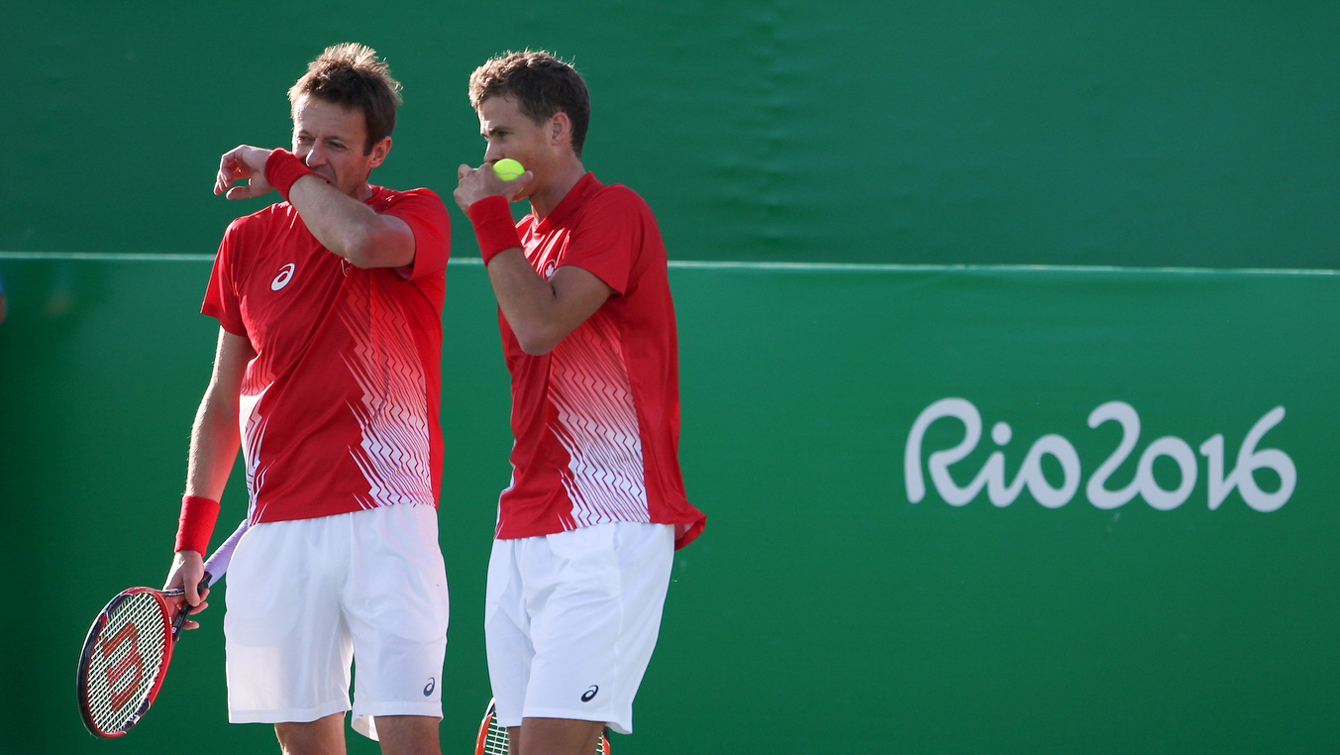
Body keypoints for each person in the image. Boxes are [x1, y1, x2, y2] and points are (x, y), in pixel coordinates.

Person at [163, 43, 451, 755]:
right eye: (301, 138)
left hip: (389, 519)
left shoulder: (414, 213)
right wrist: (190, 545)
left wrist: (283, 171)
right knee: (305, 746)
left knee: (410, 741)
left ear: (378, 151)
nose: (313, 156)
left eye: (335, 144)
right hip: (278, 532)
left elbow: (358, 240)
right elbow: (225, 397)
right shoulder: (246, 241)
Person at [453, 51, 706, 755]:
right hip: (523, 527)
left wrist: (486, 217)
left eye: (503, 135)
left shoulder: (616, 211)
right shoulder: (525, 235)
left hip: (611, 523)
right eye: (485, 137)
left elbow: (540, 326)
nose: (490, 153)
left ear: (557, 130)